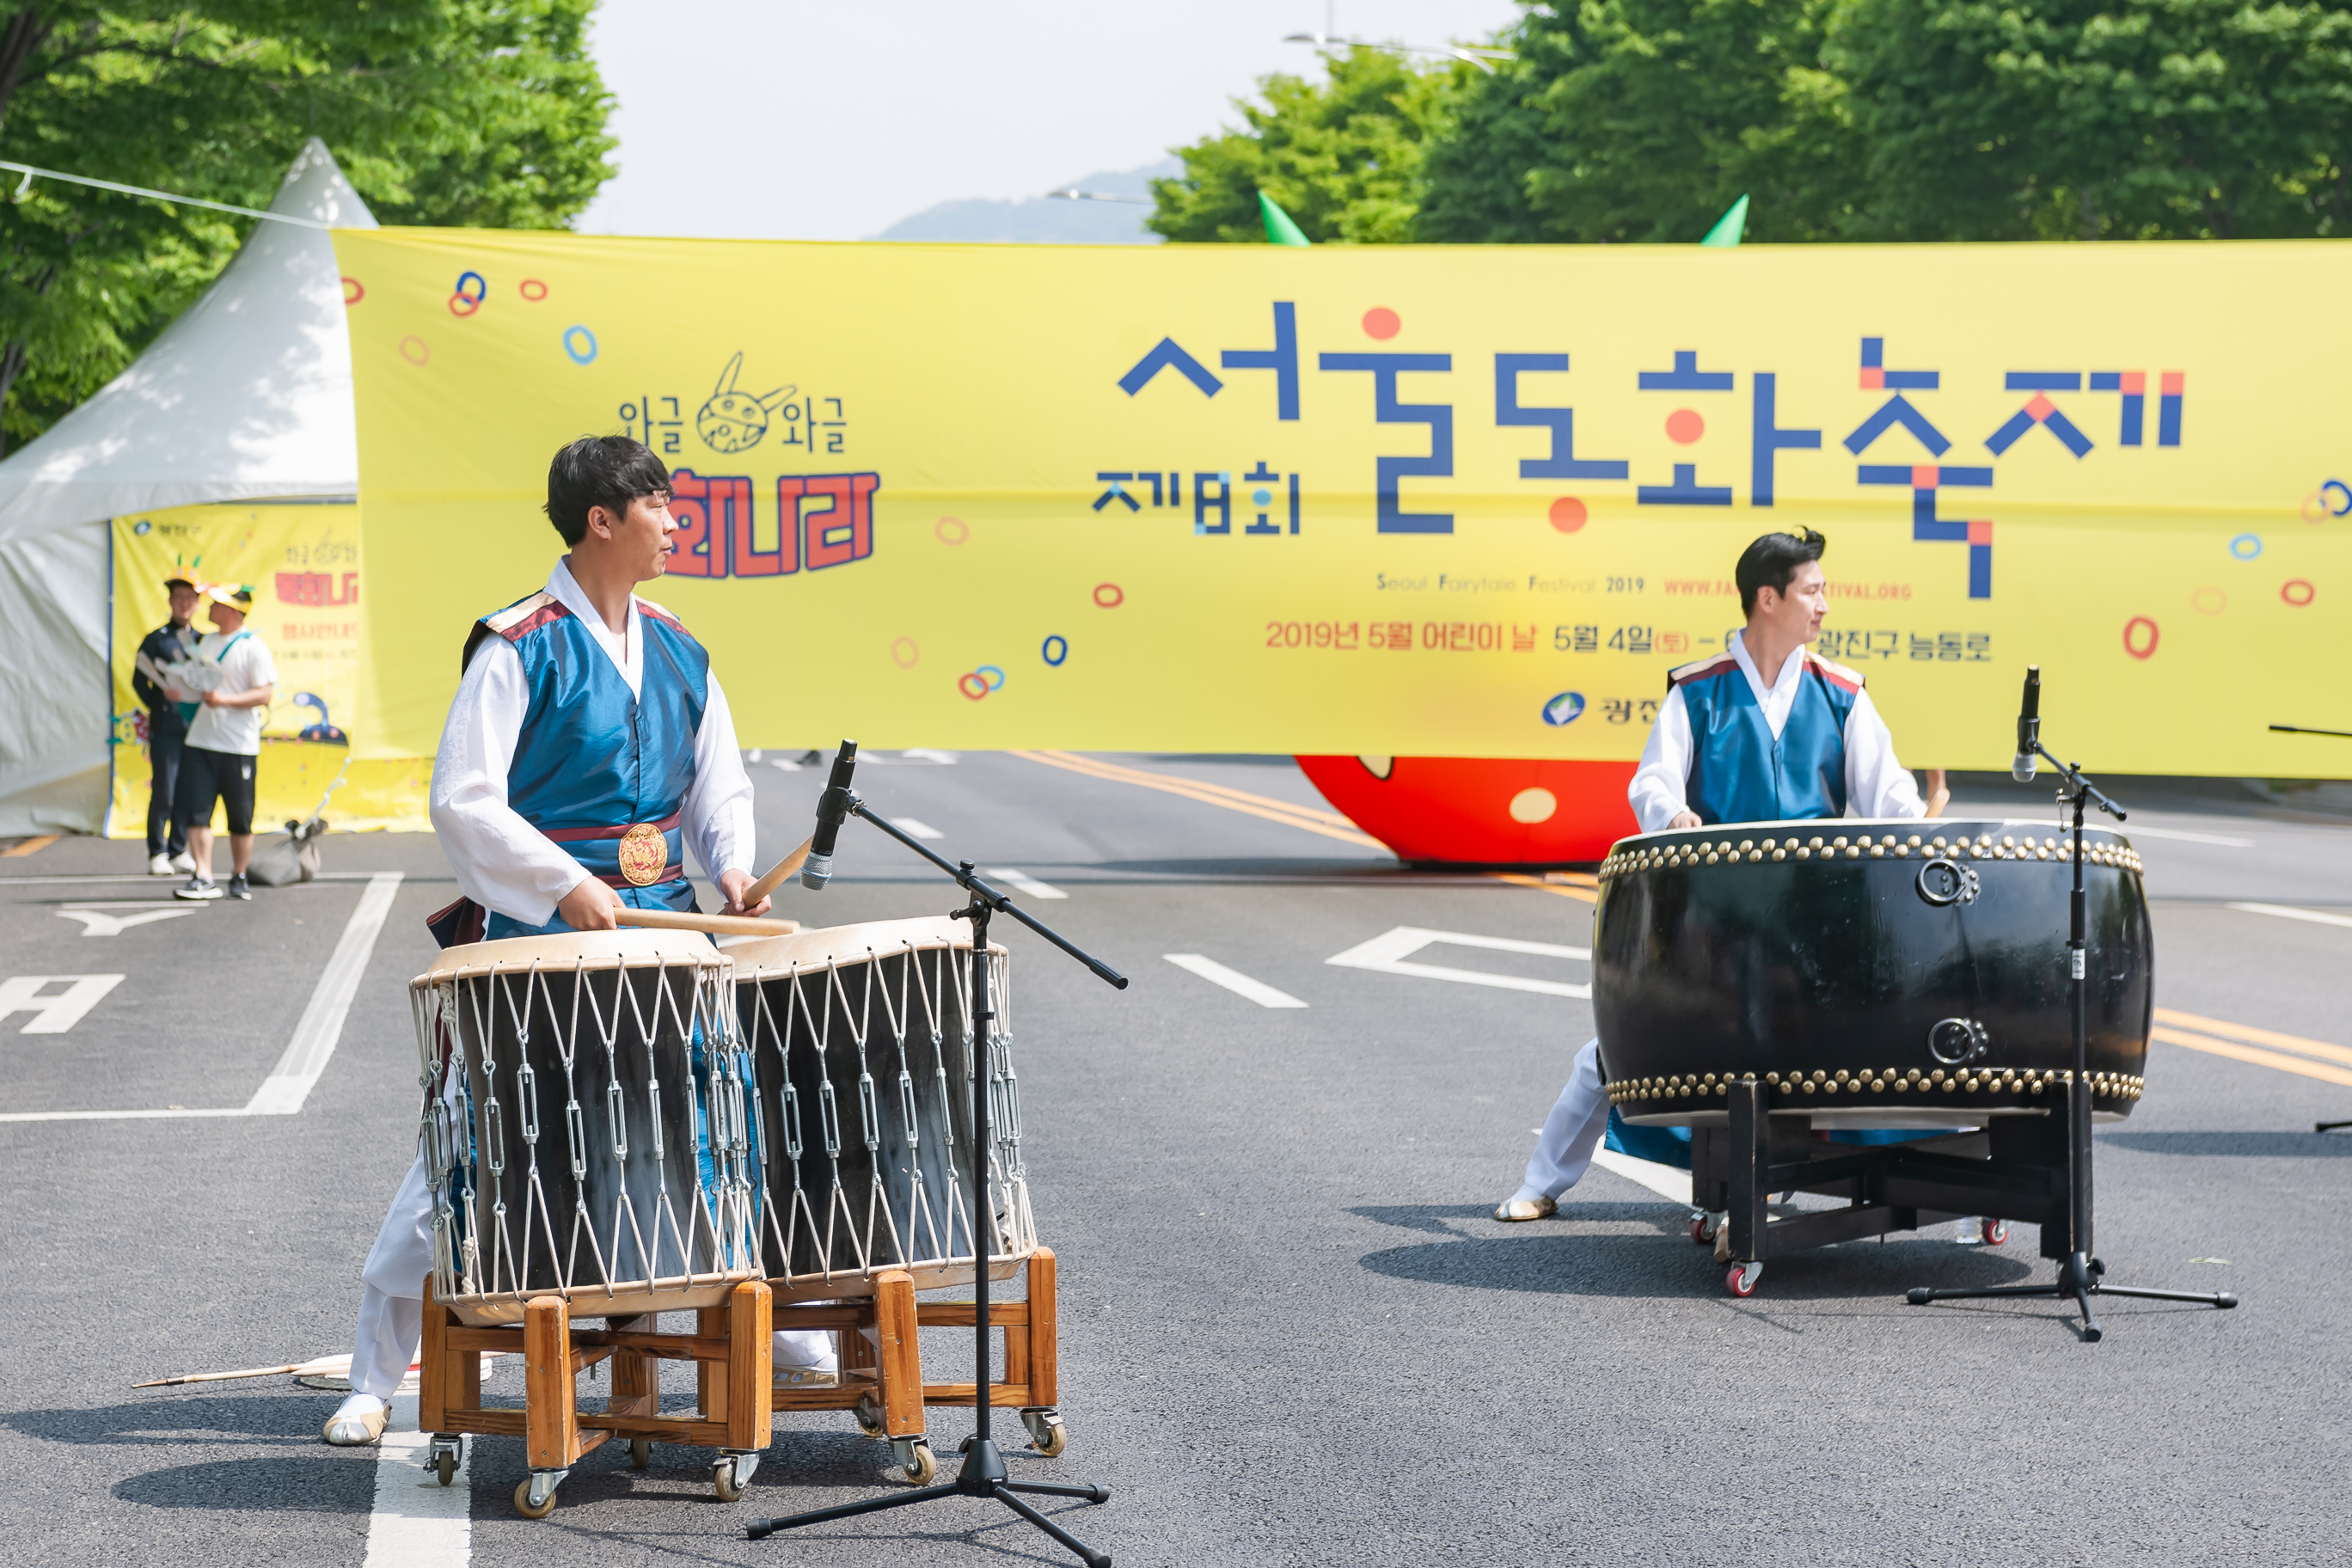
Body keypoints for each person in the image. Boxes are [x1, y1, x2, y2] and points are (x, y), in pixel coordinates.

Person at [324, 435, 833, 1447]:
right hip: (537, 933)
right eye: (660, 507)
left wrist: (731, 865)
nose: (676, 522)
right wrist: (563, 885)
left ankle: (771, 1321)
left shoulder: (682, 645)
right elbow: (465, 798)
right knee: (474, 1145)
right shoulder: (521, 642)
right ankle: (374, 1372)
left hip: (662, 928)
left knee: (707, 1126)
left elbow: (716, 784)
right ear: (602, 519)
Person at [1495, 528, 1952, 1224]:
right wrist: (1672, 813)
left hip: (1811, 930)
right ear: (1768, 599)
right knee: (1621, 1052)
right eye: (1813, 590)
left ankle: (1756, 1190)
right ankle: (1543, 1183)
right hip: (1713, 919)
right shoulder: (1698, 692)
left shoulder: (1843, 694)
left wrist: (1918, 821)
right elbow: (1652, 782)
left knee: (1813, 1065)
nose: (1825, 605)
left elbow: (1886, 796)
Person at [171, 585, 277, 902]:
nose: (209, 608)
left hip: (238, 747)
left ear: (233, 612)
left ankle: (239, 874)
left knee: (240, 817)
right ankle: (202, 874)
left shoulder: (253, 648)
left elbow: (265, 694)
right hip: (201, 742)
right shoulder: (204, 642)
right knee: (198, 812)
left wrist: (225, 700)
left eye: (216, 604)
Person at [132, 574, 204, 877]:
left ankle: (179, 849)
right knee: (164, 788)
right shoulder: (157, 638)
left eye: (190, 598)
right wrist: (160, 699)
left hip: (196, 728)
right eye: (179, 598)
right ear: (170, 601)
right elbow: (139, 678)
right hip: (166, 726)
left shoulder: (202, 640)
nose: (184, 603)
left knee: (189, 788)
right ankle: (157, 852)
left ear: (197, 603)